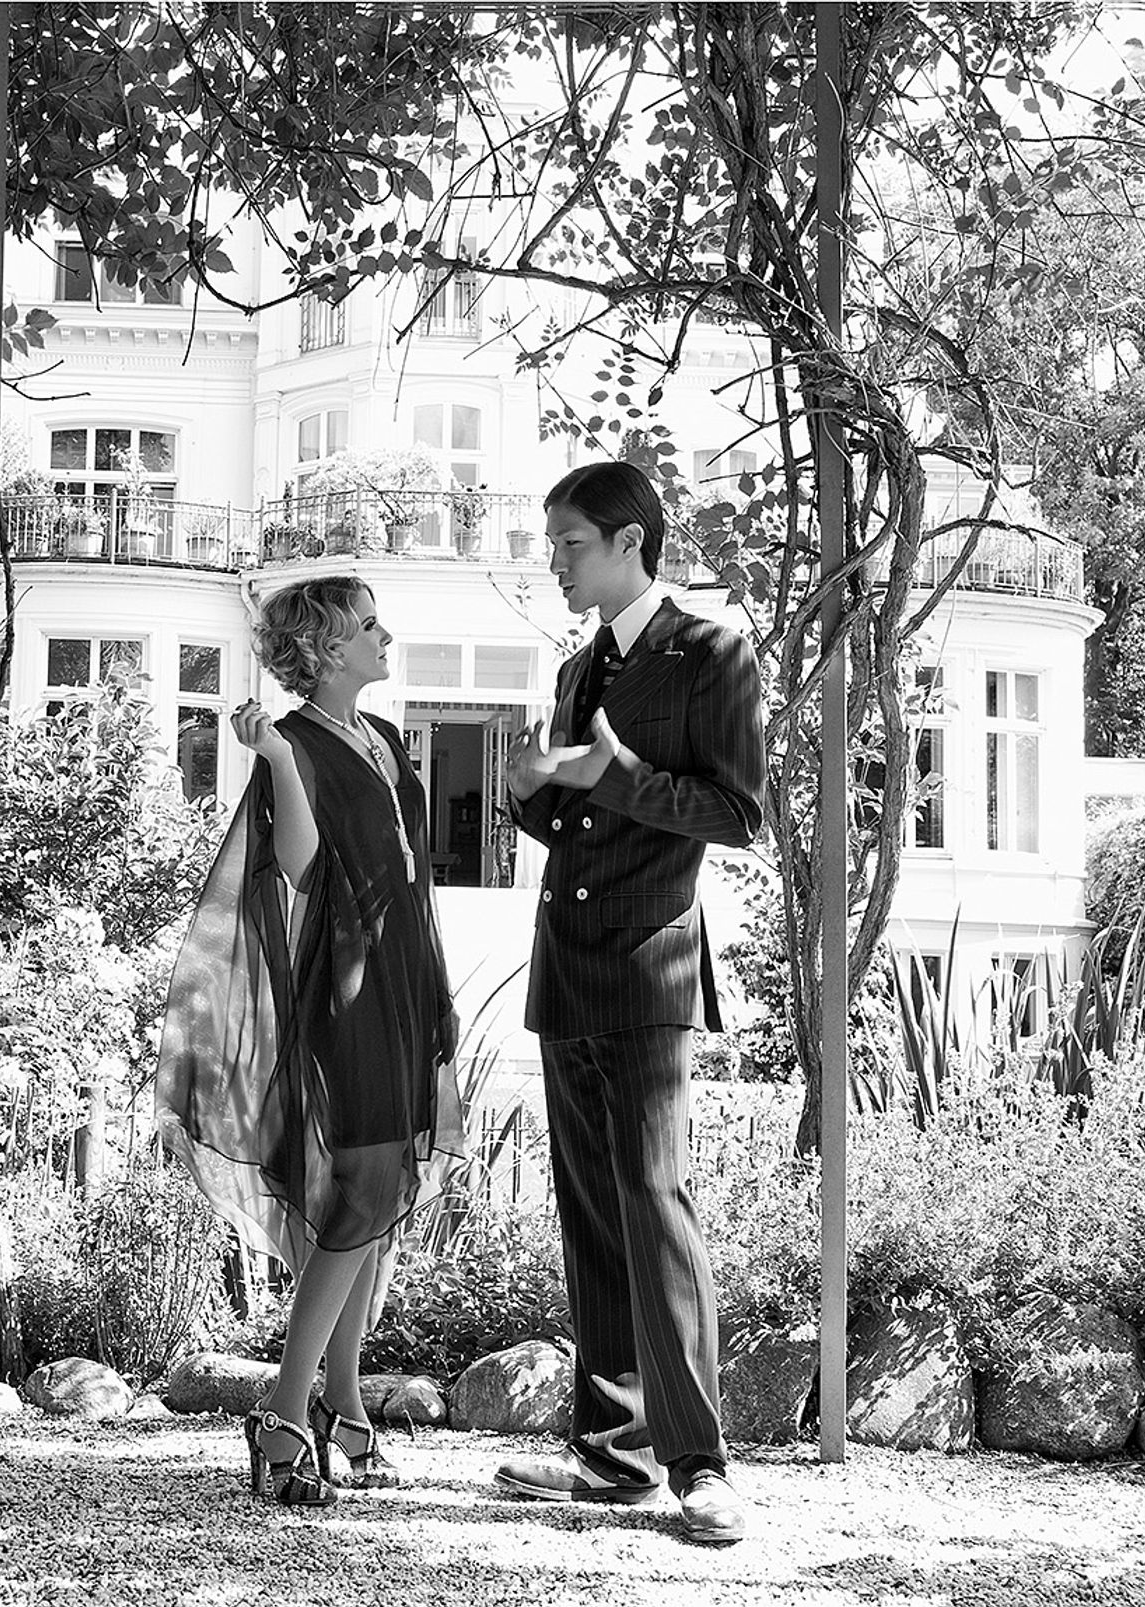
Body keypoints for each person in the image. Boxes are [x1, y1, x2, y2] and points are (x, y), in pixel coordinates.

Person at [493, 461, 765, 1545]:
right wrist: (527, 795)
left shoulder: (710, 652)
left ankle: (700, 1464)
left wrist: (610, 778)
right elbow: (572, 828)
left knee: (653, 1201)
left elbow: (735, 809)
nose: (552, 560)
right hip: (565, 963)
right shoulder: (576, 667)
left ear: (628, 543)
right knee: (591, 1214)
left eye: (567, 543)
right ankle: (610, 1458)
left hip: (650, 963)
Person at [157, 575, 463, 1507]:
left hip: (402, 982)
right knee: (362, 1197)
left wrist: (435, 992)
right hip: (345, 991)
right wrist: (279, 765)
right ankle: (285, 1414)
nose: (386, 636)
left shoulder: (381, 739)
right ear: (328, 651)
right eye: (369, 626)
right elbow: (295, 866)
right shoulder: (292, 742)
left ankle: (340, 1404)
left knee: (372, 1192)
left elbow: (410, 878)